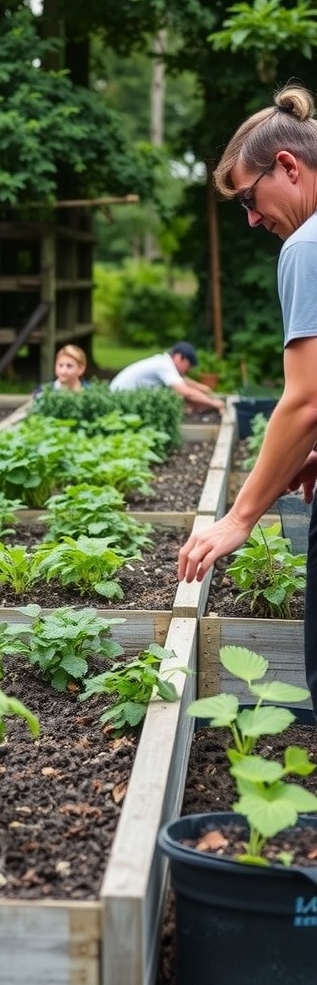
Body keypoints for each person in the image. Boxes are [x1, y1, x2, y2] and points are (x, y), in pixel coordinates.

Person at [177, 82, 317, 713]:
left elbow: (306, 400)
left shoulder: (307, 246)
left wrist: (240, 517)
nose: (253, 218)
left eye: (249, 198)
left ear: (286, 166)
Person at [109, 342, 225, 413]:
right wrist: (212, 402)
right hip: (119, 398)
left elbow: (183, 380)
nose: (188, 370)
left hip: (123, 396)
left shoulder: (165, 362)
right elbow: (184, 391)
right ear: (179, 357)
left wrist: (203, 389)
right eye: (188, 366)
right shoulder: (165, 365)